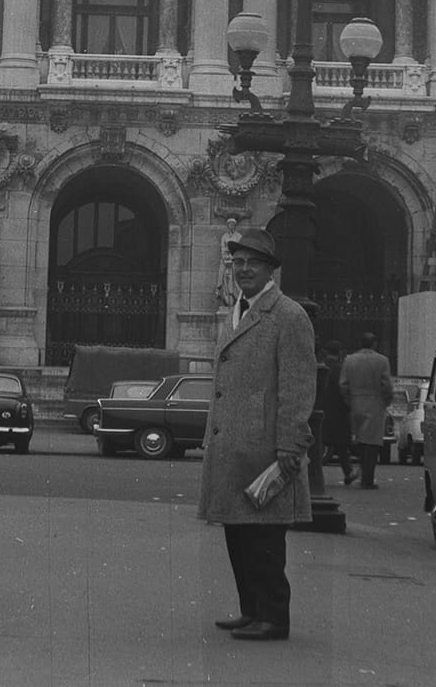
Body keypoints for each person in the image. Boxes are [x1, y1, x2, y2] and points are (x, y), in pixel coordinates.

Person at [196, 228, 314, 643]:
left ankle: (273, 618)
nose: (244, 270)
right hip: (234, 446)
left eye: (253, 264)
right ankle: (251, 611)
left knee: (264, 542)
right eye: (239, 263)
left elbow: (298, 386)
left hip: (265, 449)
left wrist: (289, 443)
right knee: (239, 535)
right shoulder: (237, 309)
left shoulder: (288, 315)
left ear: (270, 271)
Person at [339, 331, 394, 490]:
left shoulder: (350, 360)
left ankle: (364, 474)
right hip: (375, 402)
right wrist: (386, 401)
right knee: (373, 442)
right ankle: (367, 478)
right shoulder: (382, 361)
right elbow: (386, 385)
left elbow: (343, 384)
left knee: (361, 440)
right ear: (374, 344)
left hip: (356, 402)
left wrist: (349, 400)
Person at [319, 339, 354, 483]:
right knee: (342, 447)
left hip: (321, 411)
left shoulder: (320, 368)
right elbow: (346, 390)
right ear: (340, 353)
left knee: (318, 446)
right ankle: (348, 473)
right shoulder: (342, 370)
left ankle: (314, 474)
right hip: (339, 412)